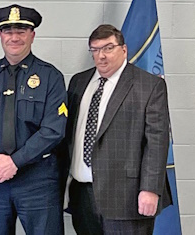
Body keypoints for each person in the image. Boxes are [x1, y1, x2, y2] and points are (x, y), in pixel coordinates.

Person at [0, 4, 67, 234]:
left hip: (37, 181)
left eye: (21, 31)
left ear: (32, 35)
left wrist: (15, 162)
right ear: (0, 35)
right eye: (8, 31)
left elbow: (53, 130)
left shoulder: (50, 77)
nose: (14, 37)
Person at [62, 24, 172, 235]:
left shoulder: (148, 85)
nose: (101, 56)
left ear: (124, 49)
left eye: (108, 48)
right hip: (82, 195)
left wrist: (150, 188)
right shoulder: (79, 82)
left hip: (127, 196)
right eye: (95, 49)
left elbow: (157, 141)